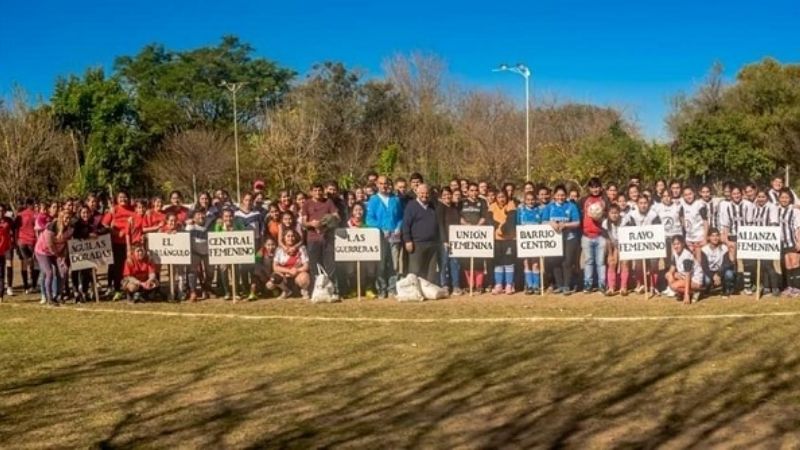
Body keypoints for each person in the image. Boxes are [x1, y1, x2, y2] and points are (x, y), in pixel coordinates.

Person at [366, 176, 403, 299]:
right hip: (379, 237)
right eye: (381, 183)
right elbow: (369, 219)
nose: (384, 186)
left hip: (394, 236)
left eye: (386, 183)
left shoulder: (395, 199)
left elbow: (401, 217)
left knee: (394, 264)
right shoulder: (373, 200)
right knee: (381, 264)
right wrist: (381, 227)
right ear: (377, 185)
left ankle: (392, 288)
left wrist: (398, 227)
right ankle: (382, 289)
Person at [542, 185, 581, 295]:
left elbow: (577, 222)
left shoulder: (571, 206)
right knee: (556, 262)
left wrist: (566, 225)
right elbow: (543, 221)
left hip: (569, 238)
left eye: (563, 195)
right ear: (554, 196)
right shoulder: (549, 207)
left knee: (567, 262)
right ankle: (559, 285)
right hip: (555, 239)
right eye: (558, 195)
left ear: (566, 195)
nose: (560, 197)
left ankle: (566, 286)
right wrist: (551, 223)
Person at [302, 184, 340, 292]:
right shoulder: (307, 204)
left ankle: (332, 290)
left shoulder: (328, 202)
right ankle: (315, 290)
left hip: (327, 238)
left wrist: (325, 223)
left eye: (320, 190)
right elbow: (303, 222)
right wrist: (311, 224)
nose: (318, 192)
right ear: (311, 192)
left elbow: (337, 217)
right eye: (315, 190)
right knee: (315, 266)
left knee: (330, 266)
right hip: (313, 239)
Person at [623, 196, 662, 296]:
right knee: (639, 264)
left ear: (648, 204)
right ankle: (639, 284)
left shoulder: (654, 215)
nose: (643, 205)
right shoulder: (632, 215)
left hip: (652, 244)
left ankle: (653, 285)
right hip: (639, 245)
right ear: (637, 204)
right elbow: (629, 230)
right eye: (641, 203)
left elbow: (658, 229)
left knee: (654, 264)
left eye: (645, 203)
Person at [719, 184, 754, 294]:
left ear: (741, 193)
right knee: (733, 261)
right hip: (732, 236)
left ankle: (748, 286)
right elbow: (725, 226)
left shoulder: (748, 205)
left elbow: (751, 222)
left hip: (746, 236)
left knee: (747, 262)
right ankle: (733, 286)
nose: (736, 195)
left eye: (738, 193)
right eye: (734, 194)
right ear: (731, 195)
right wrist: (726, 240)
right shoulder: (727, 207)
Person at [35, 208, 74, 305]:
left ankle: (58, 295)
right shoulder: (52, 227)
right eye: (66, 218)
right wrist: (58, 256)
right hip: (43, 251)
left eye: (69, 218)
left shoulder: (70, 228)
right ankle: (49, 298)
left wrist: (63, 257)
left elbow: (67, 243)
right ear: (61, 218)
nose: (67, 220)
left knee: (63, 271)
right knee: (49, 272)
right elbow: (50, 245)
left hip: (58, 252)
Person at [402, 184, 439, 284]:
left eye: (427, 193)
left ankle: (429, 293)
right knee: (415, 271)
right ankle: (414, 292)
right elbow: (405, 224)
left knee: (431, 272)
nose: (425, 195)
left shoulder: (433, 206)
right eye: (422, 193)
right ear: (417, 193)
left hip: (432, 244)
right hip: (417, 243)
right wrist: (408, 240)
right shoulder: (411, 206)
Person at [102, 191, 136, 299]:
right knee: (117, 267)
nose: (123, 199)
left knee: (129, 266)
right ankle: (116, 288)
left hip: (130, 243)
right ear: (117, 199)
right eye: (121, 197)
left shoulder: (133, 209)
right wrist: (116, 232)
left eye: (125, 197)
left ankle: (129, 288)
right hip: (116, 243)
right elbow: (104, 224)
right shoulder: (114, 209)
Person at [71, 205, 108, 302]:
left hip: (89, 253)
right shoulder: (76, 223)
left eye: (87, 213)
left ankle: (85, 291)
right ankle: (75, 291)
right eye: (83, 213)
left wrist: (97, 233)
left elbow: (104, 229)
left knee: (86, 273)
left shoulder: (93, 222)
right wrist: (87, 235)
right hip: (77, 253)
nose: (85, 215)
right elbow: (75, 234)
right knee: (76, 272)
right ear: (80, 213)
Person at [749, 190, 782, 296]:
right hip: (757, 240)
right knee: (762, 265)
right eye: (759, 196)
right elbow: (751, 223)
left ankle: (775, 287)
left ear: (767, 197)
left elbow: (773, 224)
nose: (761, 199)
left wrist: (766, 238)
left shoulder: (771, 207)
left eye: (763, 197)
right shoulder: (754, 207)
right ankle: (767, 287)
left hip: (768, 239)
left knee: (768, 265)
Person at [341, 202, 376, 298]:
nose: (358, 212)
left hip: (367, 253)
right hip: (351, 253)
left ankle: (369, 289)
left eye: (360, 210)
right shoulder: (347, 224)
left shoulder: (368, 223)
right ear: (352, 211)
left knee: (370, 270)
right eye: (356, 210)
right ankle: (353, 289)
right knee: (351, 271)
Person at [460, 182, 490, 292]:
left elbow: (484, 216)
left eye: (475, 190)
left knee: (479, 261)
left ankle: (479, 285)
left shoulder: (482, 202)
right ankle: (470, 284)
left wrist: (477, 227)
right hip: (465, 235)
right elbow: (459, 216)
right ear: (467, 191)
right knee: (467, 261)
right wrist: (466, 225)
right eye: (471, 190)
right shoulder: (462, 202)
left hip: (479, 235)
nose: (473, 192)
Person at [578, 178, 607, 293]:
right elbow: (575, 208)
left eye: (597, 187)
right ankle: (588, 283)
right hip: (586, 236)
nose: (595, 189)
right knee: (588, 261)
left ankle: (602, 284)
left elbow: (610, 213)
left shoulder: (604, 200)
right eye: (592, 187)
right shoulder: (584, 200)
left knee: (600, 261)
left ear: (600, 187)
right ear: (589, 188)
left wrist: (601, 215)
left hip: (600, 236)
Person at [235, 192, 263, 301]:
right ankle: (245, 289)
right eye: (246, 200)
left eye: (250, 200)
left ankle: (253, 291)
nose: (248, 202)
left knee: (254, 268)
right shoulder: (236, 214)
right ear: (242, 201)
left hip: (254, 243)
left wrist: (260, 246)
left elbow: (261, 232)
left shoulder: (257, 214)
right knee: (243, 269)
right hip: (241, 245)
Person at [212, 208, 244, 300]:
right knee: (224, 271)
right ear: (222, 217)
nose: (228, 218)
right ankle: (227, 292)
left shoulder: (237, 224)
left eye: (230, 216)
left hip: (236, 252)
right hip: (223, 253)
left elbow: (244, 233)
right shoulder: (219, 225)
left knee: (236, 271)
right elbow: (215, 236)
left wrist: (234, 231)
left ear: (233, 216)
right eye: (226, 216)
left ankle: (236, 291)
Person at [436, 188, 463, 295]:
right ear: (441, 196)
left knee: (455, 263)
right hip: (444, 241)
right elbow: (440, 225)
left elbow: (459, 221)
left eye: (449, 194)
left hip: (455, 241)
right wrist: (444, 240)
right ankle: (445, 285)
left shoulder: (454, 208)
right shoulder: (440, 208)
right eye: (445, 194)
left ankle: (456, 285)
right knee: (444, 264)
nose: (447, 196)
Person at [489, 190, 516, 294]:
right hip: (496, 239)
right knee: (498, 262)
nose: (501, 199)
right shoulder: (492, 206)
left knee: (509, 262)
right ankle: (499, 284)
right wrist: (498, 226)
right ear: (496, 198)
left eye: (503, 197)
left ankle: (509, 284)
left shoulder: (510, 205)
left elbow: (511, 219)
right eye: (499, 197)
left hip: (509, 238)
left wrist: (502, 229)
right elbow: (490, 220)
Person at [517, 191, 544, 294]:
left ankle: (536, 285)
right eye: (528, 200)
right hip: (524, 240)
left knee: (535, 263)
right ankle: (529, 285)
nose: (530, 202)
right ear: (525, 200)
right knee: (526, 263)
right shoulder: (521, 209)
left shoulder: (539, 209)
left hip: (535, 240)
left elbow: (543, 222)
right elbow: (518, 223)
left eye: (532, 199)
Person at [272, 229, 311, 299]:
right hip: (285, 276)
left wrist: (297, 270)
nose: (290, 238)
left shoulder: (301, 248)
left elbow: (306, 266)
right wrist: (288, 271)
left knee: (305, 277)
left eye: (292, 236)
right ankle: (286, 291)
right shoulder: (279, 250)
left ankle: (304, 291)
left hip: (297, 274)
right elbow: (275, 267)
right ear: (284, 238)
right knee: (273, 278)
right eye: (288, 236)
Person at [665, 235, 703, 304]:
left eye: (678, 244)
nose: (676, 246)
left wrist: (686, 295)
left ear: (682, 244)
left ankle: (694, 292)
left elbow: (688, 275)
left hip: (695, 280)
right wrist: (672, 275)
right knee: (668, 275)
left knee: (674, 286)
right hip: (685, 276)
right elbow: (672, 269)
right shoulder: (675, 253)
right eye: (674, 244)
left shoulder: (687, 256)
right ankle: (679, 293)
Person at [777, 188, 800, 296]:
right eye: (782, 197)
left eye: (786, 197)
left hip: (792, 241)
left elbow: (798, 227)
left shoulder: (794, 210)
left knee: (795, 263)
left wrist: (799, 241)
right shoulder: (777, 210)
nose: (784, 199)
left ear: (790, 198)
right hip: (783, 242)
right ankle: (790, 287)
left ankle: (797, 287)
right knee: (788, 265)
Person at [14, 198, 38, 295]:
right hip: (32, 242)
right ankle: (33, 284)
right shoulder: (34, 215)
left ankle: (25, 286)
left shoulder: (19, 215)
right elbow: (37, 229)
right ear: (31, 204)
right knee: (35, 263)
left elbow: (16, 229)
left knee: (24, 263)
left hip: (21, 241)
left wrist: (16, 241)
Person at [701, 228, 734, 298]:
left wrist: (718, 275)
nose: (715, 238)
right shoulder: (704, 249)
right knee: (707, 280)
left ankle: (725, 289)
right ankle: (708, 288)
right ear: (708, 237)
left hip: (721, 271)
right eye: (712, 236)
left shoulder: (724, 248)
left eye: (717, 236)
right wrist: (713, 276)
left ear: (719, 237)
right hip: (710, 272)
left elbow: (726, 264)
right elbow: (704, 267)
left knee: (729, 274)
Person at [185, 208, 210, 301]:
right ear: (194, 217)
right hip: (195, 252)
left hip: (208, 253)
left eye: (202, 214)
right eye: (198, 214)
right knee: (192, 271)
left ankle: (206, 288)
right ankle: (193, 291)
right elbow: (184, 237)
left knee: (210, 273)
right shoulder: (190, 227)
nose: (201, 216)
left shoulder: (209, 225)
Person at [680, 186, 709, 262]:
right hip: (689, 240)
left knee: (699, 262)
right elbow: (683, 224)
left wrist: (705, 238)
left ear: (694, 194)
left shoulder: (700, 204)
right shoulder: (682, 206)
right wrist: (685, 239)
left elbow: (705, 222)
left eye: (690, 194)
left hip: (699, 239)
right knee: (691, 263)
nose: (688, 196)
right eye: (686, 195)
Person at [603, 204, 624, 295]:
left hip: (623, 244)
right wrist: (611, 254)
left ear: (619, 213)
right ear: (608, 214)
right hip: (611, 244)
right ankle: (611, 286)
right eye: (612, 213)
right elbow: (607, 240)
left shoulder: (624, 221)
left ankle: (623, 287)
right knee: (612, 262)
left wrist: (619, 249)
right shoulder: (605, 223)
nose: (614, 215)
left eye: (616, 213)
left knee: (624, 263)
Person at [0, 204, 14, 302]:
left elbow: (14, 231)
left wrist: (13, 241)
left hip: (3, 250)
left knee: (1, 273)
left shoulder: (8, 221)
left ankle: (2, 294)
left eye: (2, 210)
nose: (0, 212)